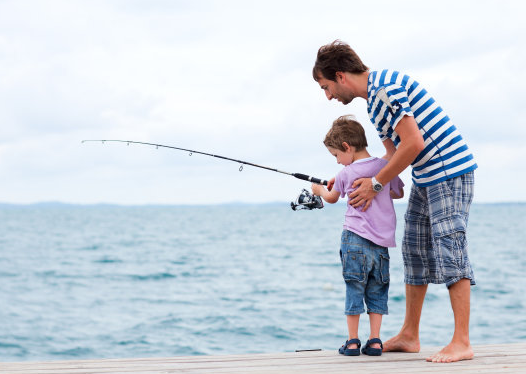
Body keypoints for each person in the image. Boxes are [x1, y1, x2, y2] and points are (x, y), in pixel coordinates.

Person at [312, 40, 478, 363]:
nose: (329, 96)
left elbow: (413, 143)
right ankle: (409, 335)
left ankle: (462, 341)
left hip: (448, 172)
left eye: (326, 87)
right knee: (414, 250)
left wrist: (375, 184)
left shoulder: (385, 88)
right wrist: (352, 175)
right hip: (426, 177)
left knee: (450, 248)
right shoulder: (374, 104)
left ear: (341, 75)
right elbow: (390, 156)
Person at [311, 115, 404, 357]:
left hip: (353, 240)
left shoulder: (346, 173)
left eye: (336, 156)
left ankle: (352, 342)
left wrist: (317, 189)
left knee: (354, 288)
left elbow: (331, 198)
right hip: (381, 245)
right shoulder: (384, 168)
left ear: (346, 147)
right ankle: (375, 341)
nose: (339, 162)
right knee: (377, 290)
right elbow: (398, 192)